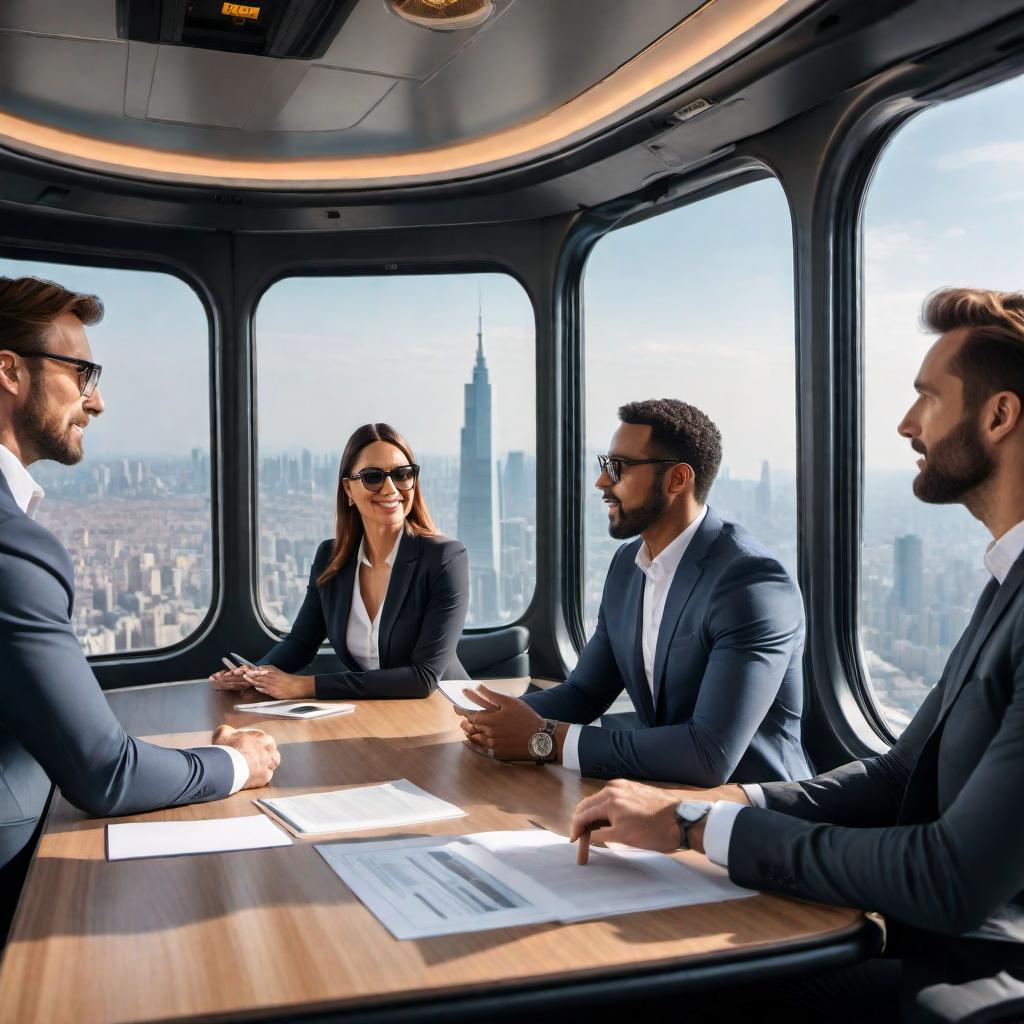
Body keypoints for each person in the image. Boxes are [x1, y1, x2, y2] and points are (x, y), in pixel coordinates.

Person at [570, 288, 1024, 1023]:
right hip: (926, 942)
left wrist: (697, 829)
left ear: (999, 416)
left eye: (928, 401)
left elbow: (953, 876)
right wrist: (711, 806)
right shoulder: (1005, 585)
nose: (907, 424)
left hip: (978, 982)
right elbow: (899, 773)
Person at [0, 276, 280, 887]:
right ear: (10, 371)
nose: (96, 403)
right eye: (82, 375)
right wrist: (237, 762)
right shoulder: (13, 544)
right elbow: (104, 773)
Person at [460, 398, 812, 786]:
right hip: (657, 796)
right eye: (603, 465)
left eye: (618, 468)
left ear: (677, 479)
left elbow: (709, 753)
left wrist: (546, 740)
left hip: (753, 816)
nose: (602, 483)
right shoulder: (628, 566)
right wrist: (496, 718)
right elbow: (584, 692)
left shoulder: (751, 583)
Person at [211, 422, 470, 700]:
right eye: (373, 477)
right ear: (348, 489)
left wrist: (305, 686)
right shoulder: (331, 558)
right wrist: (253, 676)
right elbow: (301, 643)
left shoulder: (445, 559)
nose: (391, 488)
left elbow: (423, 678)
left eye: (402, 475)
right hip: (373, 713)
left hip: (446, 710)